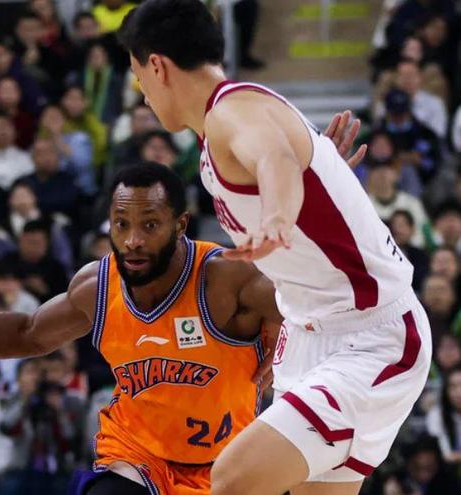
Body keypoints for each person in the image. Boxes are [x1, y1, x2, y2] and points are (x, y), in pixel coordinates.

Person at [118, 1, 430, 494]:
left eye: (139, 77)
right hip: (310, 333)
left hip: (370, 337)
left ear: (157, 66)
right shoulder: (226, 124)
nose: (143, 93)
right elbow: (283, 164)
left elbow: (276, 160)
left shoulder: (231, 111)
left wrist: (282, 212)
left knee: (231, 478)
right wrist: (318, 180)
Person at [0, 163, 283, 495]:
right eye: (121, 224)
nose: (132, 240)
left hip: (228, 458)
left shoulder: (225, 280)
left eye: (149, 225)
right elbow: (28, 333)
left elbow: (307, 304)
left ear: (180, 225)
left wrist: (283, 338)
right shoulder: (97, 287)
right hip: (138, 453)